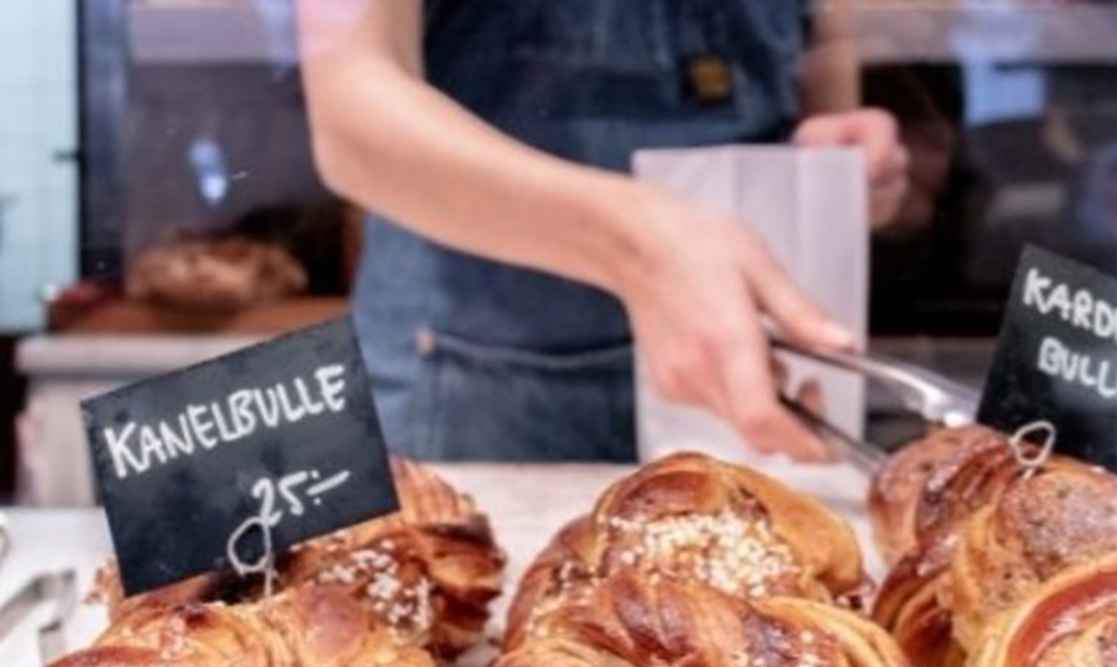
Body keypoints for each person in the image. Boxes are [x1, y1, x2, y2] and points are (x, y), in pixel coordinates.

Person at [296, 1, 909, 462]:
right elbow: (351, 115)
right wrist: (636, 248)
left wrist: (840, 168)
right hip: (475, 383)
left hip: (748, 368)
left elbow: (820, 59)